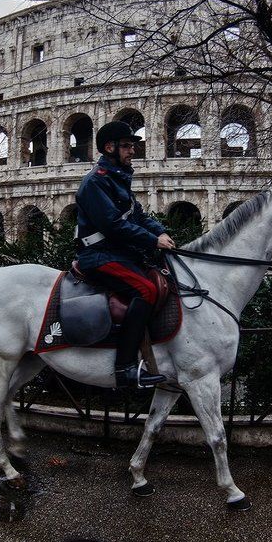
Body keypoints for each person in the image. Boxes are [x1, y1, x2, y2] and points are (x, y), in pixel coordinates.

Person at [75, 121, 176, 388]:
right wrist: (153, 241)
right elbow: (113, 225)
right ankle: (125, 368)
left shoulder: (118, 177)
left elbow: (137, 215)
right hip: (98, 255)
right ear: (110, 147)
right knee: (146, 291)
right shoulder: (95, 182)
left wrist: (161, 232)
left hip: (117, 252)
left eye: (133, 146)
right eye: (127, 145)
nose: (133, 150)